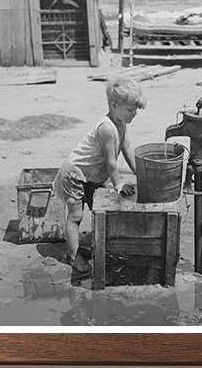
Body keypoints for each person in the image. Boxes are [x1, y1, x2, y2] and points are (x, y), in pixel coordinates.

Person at [52, 74, 145, 275]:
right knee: (76, 215)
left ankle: (93, 246)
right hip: (75, 173)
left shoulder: (121, 123)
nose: (134, 113)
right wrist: (119, 185)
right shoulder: (107, 128)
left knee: (99, 210)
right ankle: (73, 255)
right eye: (131, 109)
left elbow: (127, 147)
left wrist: (140, 171)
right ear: (113, 104)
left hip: (92, 176)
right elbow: (111, 162)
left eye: (136, 109)